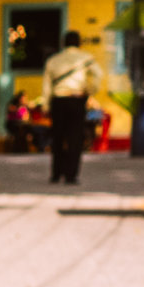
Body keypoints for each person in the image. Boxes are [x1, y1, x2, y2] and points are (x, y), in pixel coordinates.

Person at [41, 28, 104, 186]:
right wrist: (90, 90)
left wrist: (45, 105)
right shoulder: (86, 58)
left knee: (58, 138)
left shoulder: (54, 60)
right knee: (75, 138)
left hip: (58, 100)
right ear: (79, 43)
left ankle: (56, 174)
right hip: (76, 100)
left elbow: (47, 85)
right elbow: (98, 74)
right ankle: (71, 176)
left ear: (63, 43)